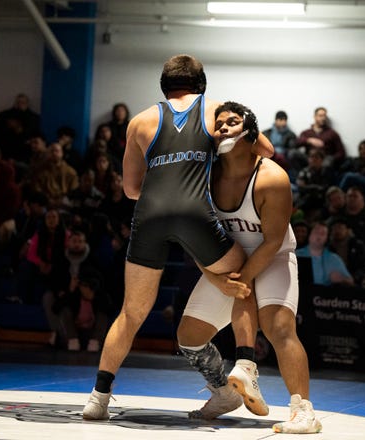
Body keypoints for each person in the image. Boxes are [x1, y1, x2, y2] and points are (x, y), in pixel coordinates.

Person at [81, 54, 273, 420]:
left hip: (149, 216)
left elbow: (132, 188)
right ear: (201, 85)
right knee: (243, 275)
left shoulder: (139, 121)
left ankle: (98, 398)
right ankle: (246, 366)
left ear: (163, 86)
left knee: (131, 313)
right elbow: (264, 150)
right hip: (195, 212)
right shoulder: (216, 109)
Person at [177, 101, 322, 433]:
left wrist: (241, 280)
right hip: (228, 261)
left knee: (279, 327)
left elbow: (271, 242)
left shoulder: (272, 178)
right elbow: (193, 235)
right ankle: (224, 392)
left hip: (271, 258)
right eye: (220, 124)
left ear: (250, 132)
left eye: (233, 121)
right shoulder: (205, 176)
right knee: (188, 336)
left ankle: (303, 410)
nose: (225, 127)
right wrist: (217, 278)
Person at [296, 221, 354, 286]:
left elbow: (351, 282)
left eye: (323, 233)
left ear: (327, 238)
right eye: (316, 232)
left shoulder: (334, 258)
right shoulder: (295, 255)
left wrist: (342, 279)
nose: (319, 236)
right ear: (309, 234)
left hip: (326, 295)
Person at [262, 110, 298, 175]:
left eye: (284, 120)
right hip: (270, 156)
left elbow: (292, 147)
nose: (282, 122)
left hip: (284, 158)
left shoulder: (291, 134)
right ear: (276, 120)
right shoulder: (267, 132)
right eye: (280, 119)